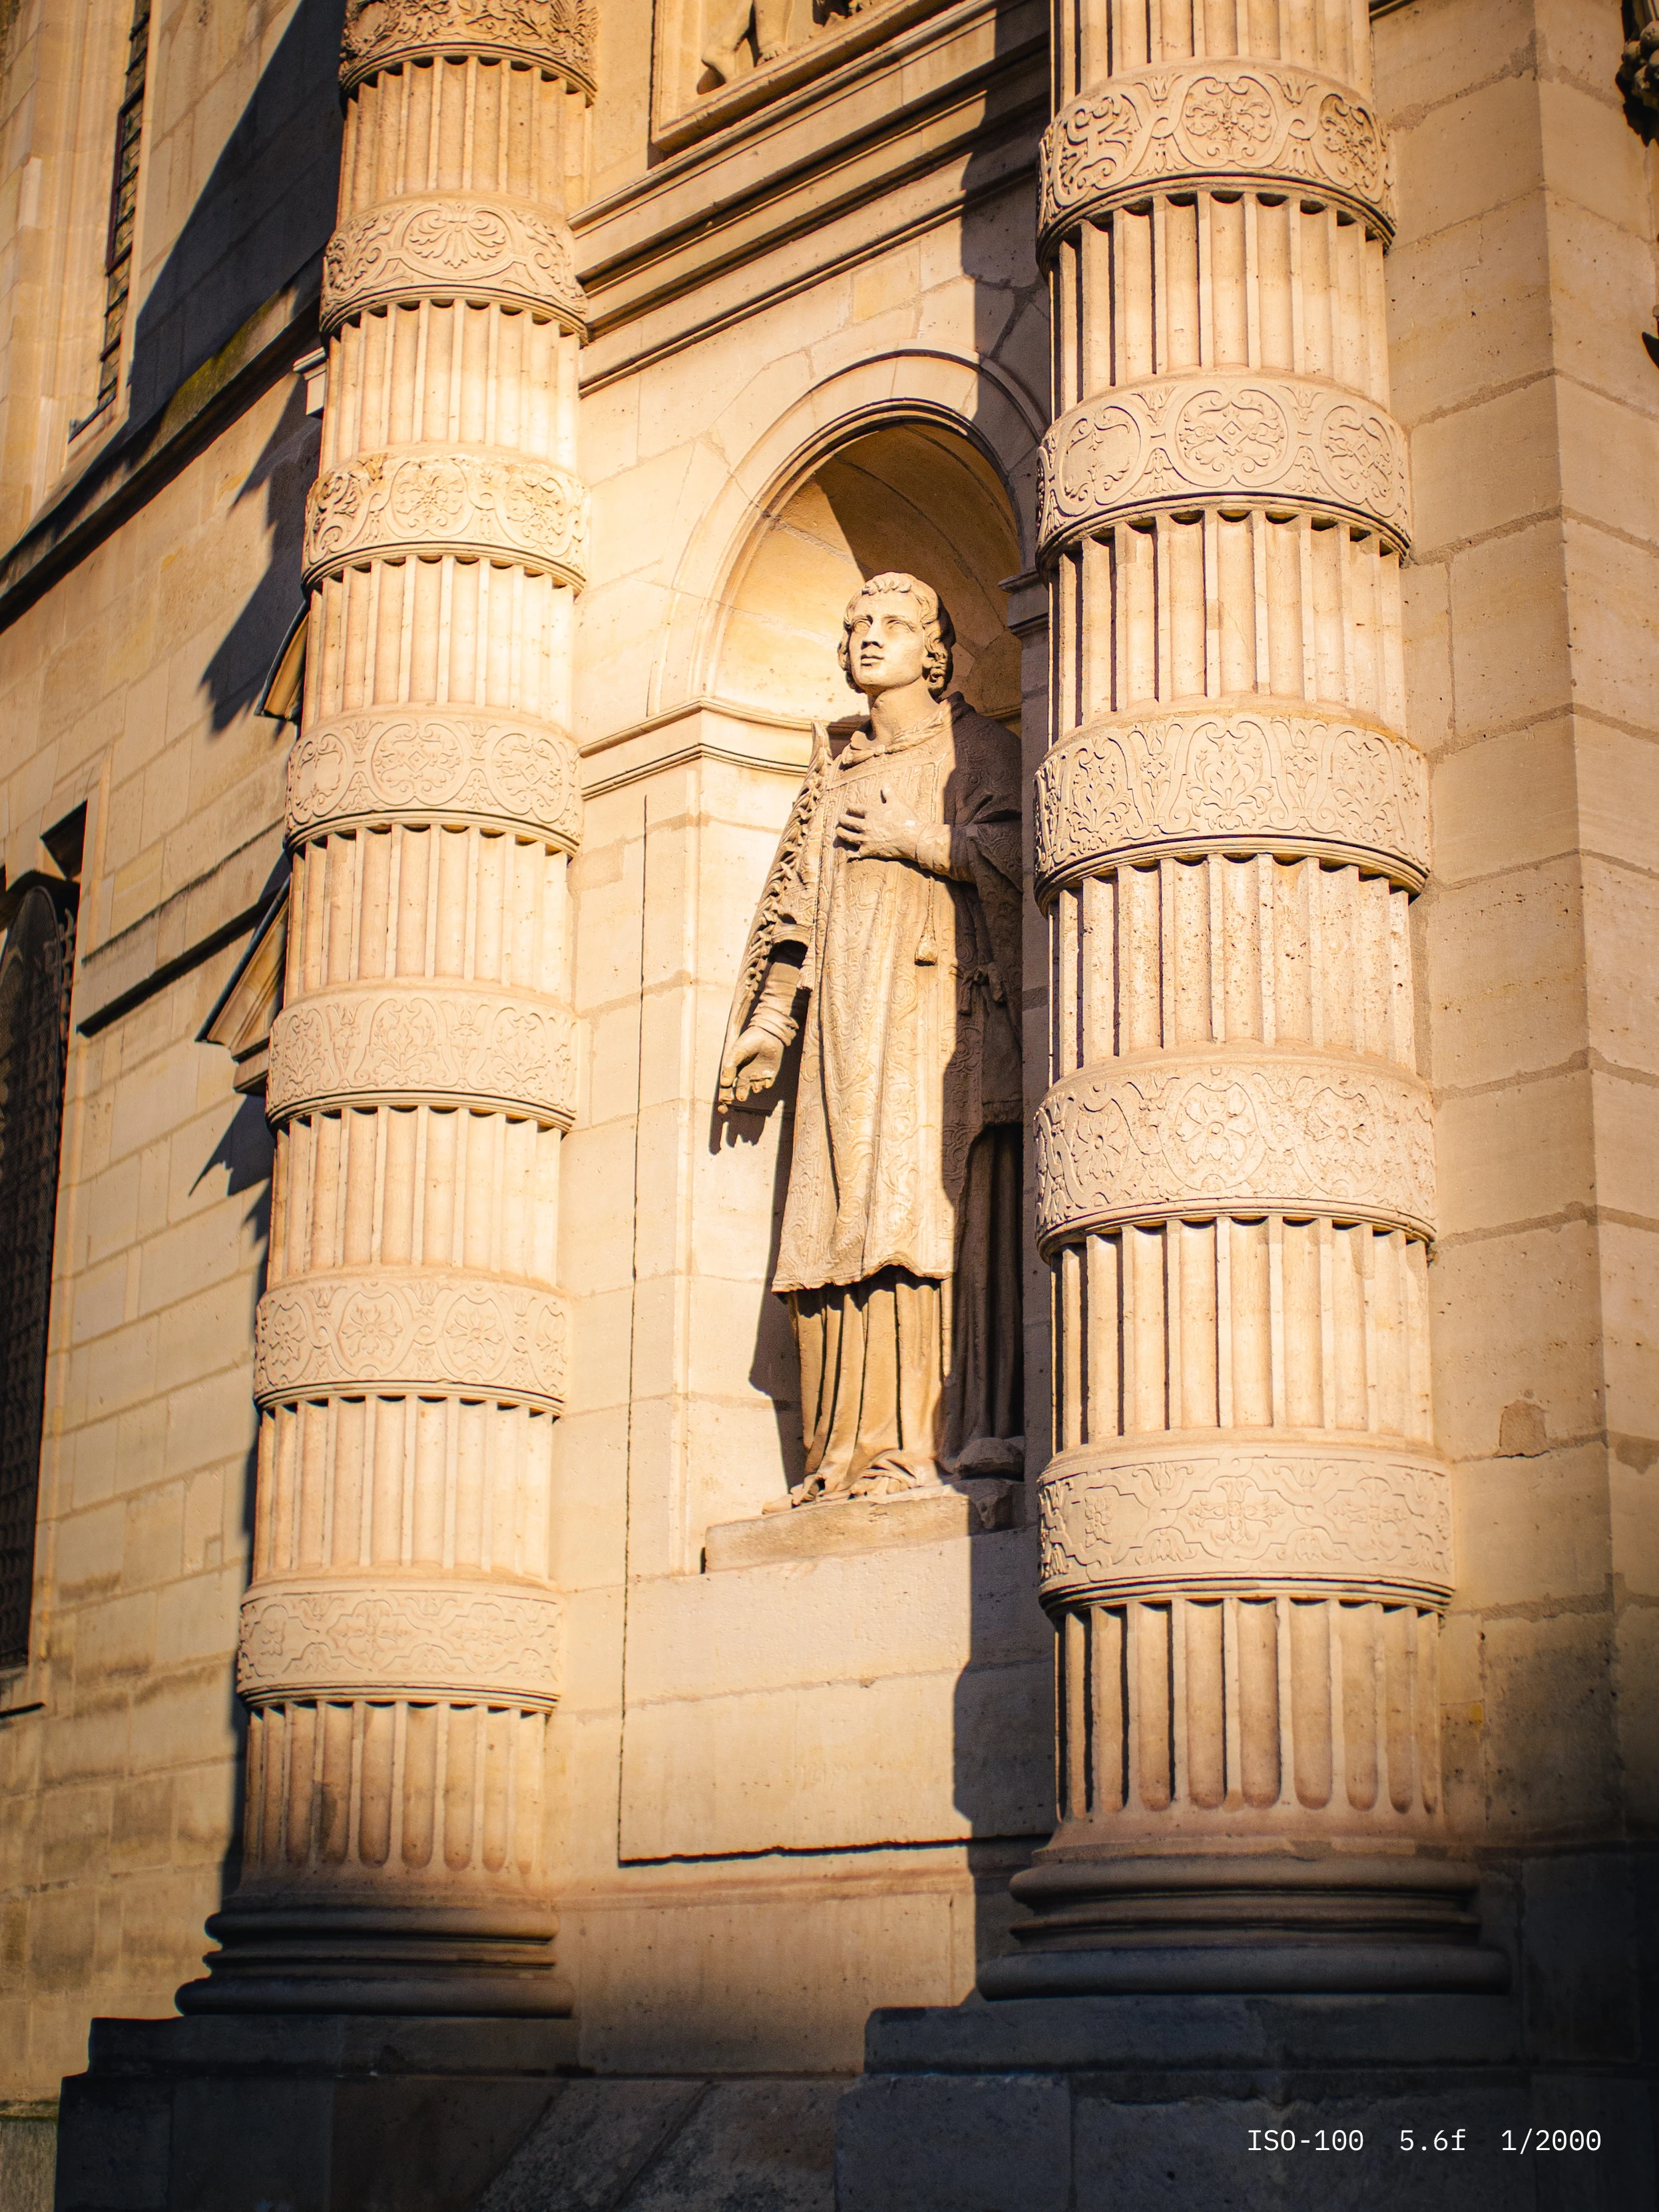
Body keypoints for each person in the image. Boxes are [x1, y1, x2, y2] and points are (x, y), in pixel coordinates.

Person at [719, 572, 1025, 1501]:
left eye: (892, 624)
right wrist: (771, 1024)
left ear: (934, 650)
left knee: (913, 1220)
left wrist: (918, 841)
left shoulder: (976, 749)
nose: (868, 636)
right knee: (831, 1222)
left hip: (936, 1022)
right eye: (855, 622)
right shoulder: (831, 775)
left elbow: (1018, 856)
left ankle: (923, 1441)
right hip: (841, 1033)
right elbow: (791, 915)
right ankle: (841, 1448)